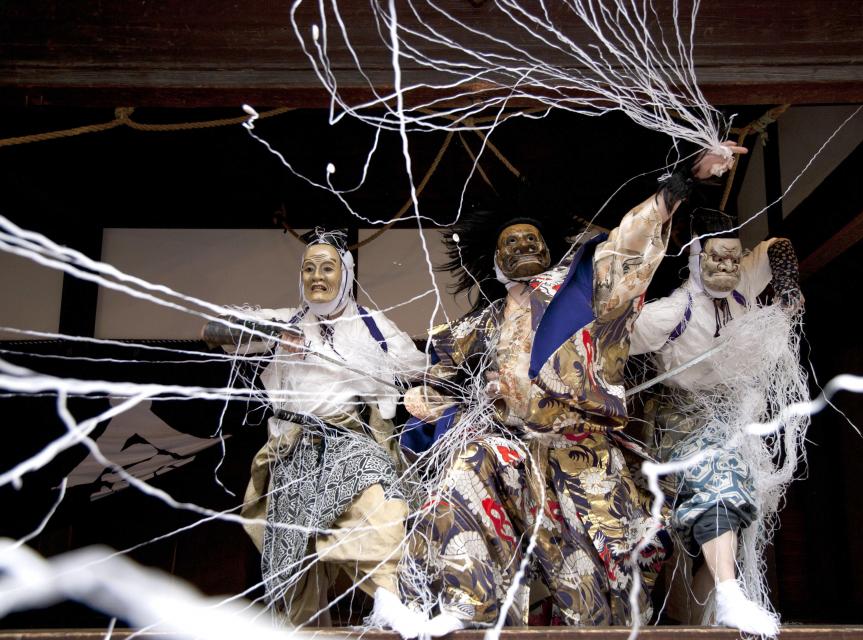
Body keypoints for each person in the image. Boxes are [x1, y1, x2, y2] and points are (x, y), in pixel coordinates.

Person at [401, 143, 746, 634]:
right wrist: (428, 401)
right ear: (494, 261)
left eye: (532, 240)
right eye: (511, 243)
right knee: (467, 462)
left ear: (549, 249)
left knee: (599, 603)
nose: (523, 248)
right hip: (517, 459)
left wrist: (678, 186)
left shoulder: (580, 293)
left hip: (585, 461)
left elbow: (626, 247)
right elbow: (441, 386)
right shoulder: (477, 327)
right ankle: (465, 605)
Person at [201, 229, 426, 635]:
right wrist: (272, 335)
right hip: (292, 449)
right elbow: (213, 332)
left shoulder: (371, 326)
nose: (317, 277)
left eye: (328, 268)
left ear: (346, 273)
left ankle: (388, 599)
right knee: (293, 573)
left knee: (381, 506)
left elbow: (417, 367)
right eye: (309, 269)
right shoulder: (286, 321)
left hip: (348, 441)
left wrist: (355, 359)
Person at [628, 211, 804, 636]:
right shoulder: (672, 312)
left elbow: (778, 245)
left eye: (732, 259)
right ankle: (727, 593)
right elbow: (614, 341)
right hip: (681, 418)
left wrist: (787, 285)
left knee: (738, 523)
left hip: (733, 417)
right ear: (694, 257)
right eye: (714, 259)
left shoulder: (744, 284)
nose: (725, 268)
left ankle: (714, 615)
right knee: (717, 484)